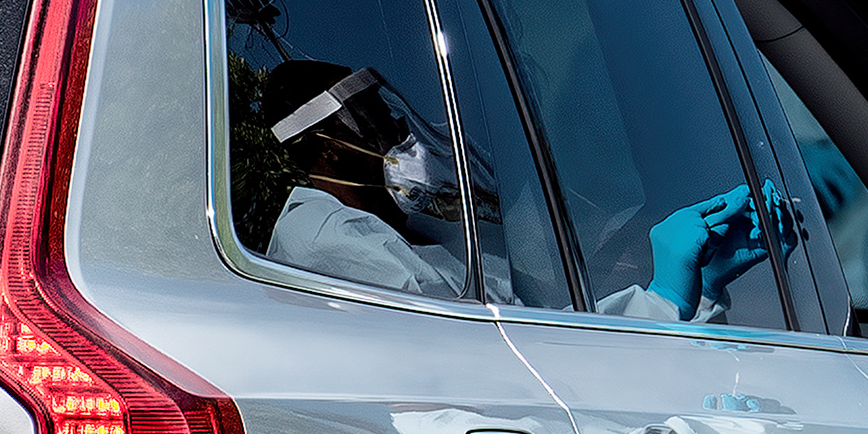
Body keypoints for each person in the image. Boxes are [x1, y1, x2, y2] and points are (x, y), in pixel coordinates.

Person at [261, 58, 786, 319]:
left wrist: (696, 295)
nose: (397, 125)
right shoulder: (322, 238)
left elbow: (533, 317)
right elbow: (488, 353)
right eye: (373, 115)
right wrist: (664, 301)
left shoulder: (407, 229)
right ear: (329, 146)